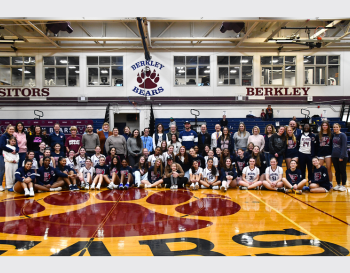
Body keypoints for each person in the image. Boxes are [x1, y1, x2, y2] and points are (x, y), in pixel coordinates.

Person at [0, 124, 19, 191]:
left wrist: (16, 150)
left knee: (11, 172)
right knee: (2, 171)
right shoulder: (3, 136)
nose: (11, 130)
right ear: (7, 129)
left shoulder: (13, 136)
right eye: (10, 129)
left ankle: (8, 186)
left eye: (12, 129)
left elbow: (17, 146)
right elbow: (2, 146)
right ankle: (0, 185)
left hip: (13, 156)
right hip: (3, 155)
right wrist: (11, 151)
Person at [332, 123, 348, 192]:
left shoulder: (342, 135)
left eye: (337, 127)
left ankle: (343, 185)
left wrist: (341, 156)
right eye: (334, 127)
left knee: (342, 171)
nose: (335, 128)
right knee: (337, 171)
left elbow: (344, 146)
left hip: (342, 156)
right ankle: (338, 184)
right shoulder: (334, 135)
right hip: (334, 156)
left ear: (340, 128)